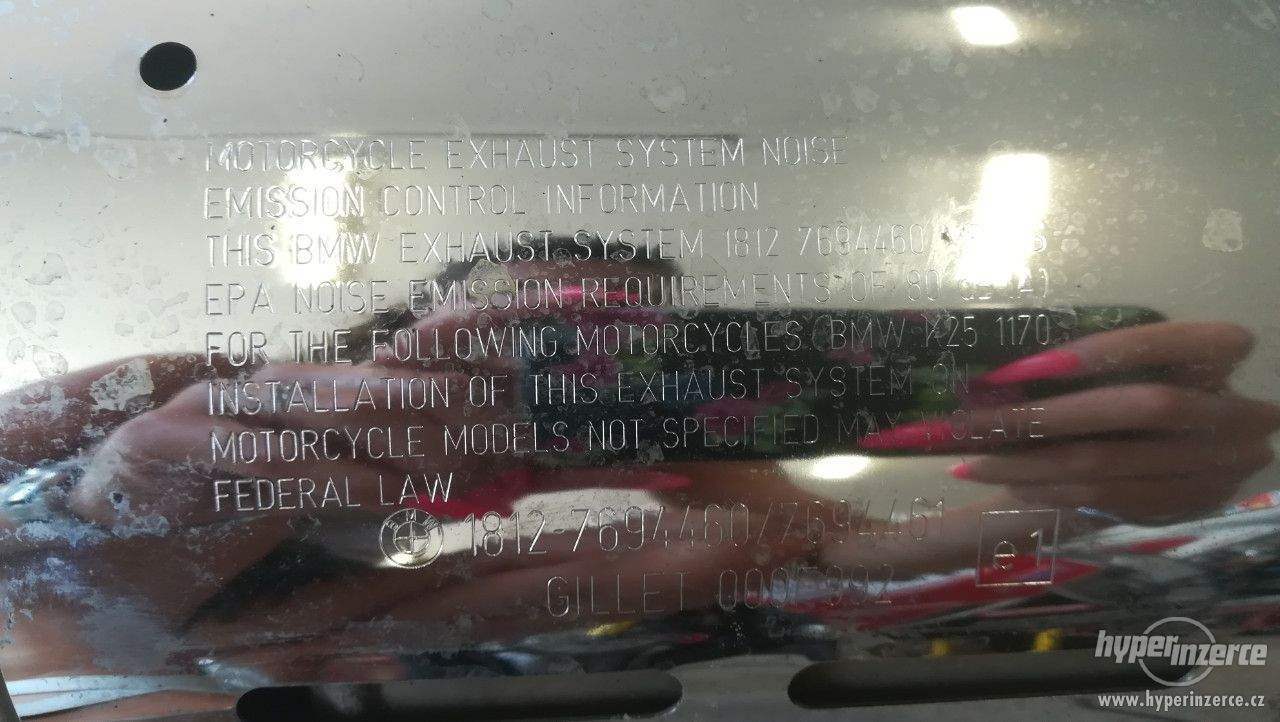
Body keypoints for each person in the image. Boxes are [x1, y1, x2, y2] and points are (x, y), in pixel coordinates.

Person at [1, 234, 1277, 719]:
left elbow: (851, 550)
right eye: (531, 337)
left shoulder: (665, 444)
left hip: (235, 651)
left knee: (724, 545)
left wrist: (1078, 499)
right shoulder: (206, 385)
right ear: (411, 326)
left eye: (631, 350)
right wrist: (86, 521)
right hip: (58, 621)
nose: (575, 381)